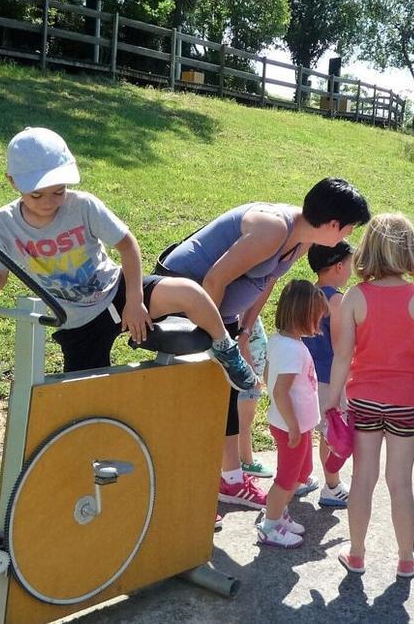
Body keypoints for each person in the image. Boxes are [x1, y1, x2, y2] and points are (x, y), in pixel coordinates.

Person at [0, 127, 257, 389]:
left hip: (114, 291)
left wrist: (134, 301)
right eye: (37, 195)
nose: (49, 202)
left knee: (189, 292)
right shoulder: (4, 223)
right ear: (12, 182)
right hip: (75, 321)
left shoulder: (83, 205)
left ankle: (225, 349)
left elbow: (128, 246)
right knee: (88, 397)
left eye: (58, 191)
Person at [156, 178, 371, 522]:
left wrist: (241, 329)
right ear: (334, 224)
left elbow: (265, 283)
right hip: (184, 303)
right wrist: (215, 339)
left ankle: (229, 481)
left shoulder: (299, 241)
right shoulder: (273, 228)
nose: (346, 237)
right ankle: (184, 494)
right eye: (348, 229)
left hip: (219, 314)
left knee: (224, 395)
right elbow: (213, 281)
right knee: (196, 398)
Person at [327, 213, 414, 579]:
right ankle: (405, 558)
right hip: (406, 402)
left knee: (363, 478)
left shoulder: (354, 297)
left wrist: (333, 397)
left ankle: (356, 554)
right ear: (409, 252)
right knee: (400, 481)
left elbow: (343, 356)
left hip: (364, 400)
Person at [256, 280, 329, 548]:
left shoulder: (281, 342)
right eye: (317, 318)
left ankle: (278, 514)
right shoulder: (291, 349)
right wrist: (294, 426)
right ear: (304, 315)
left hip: (297, 426)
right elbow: (280, 392)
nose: (319, 324)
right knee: (286, 480)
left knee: (301, 473)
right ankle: (270, 525)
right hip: (291, 428)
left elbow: (267, 375)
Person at [303, 241, 354, 507]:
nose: (351, 269)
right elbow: (340, 346)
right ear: (338, 266)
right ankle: (331, 486)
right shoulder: (336, 299)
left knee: (303, 428)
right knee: (330, 432)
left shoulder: (309, 293)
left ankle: (300, 478)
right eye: (349, 263)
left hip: (305, 374)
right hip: (329, 377)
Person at [237, 317, 273, 478]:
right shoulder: (241, 308)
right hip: (247, 378)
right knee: (244, 422)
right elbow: (241, 342)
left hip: (250, 375)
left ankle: (241, 458)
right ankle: (247, 462)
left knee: (243, 421)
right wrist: (250, 373)